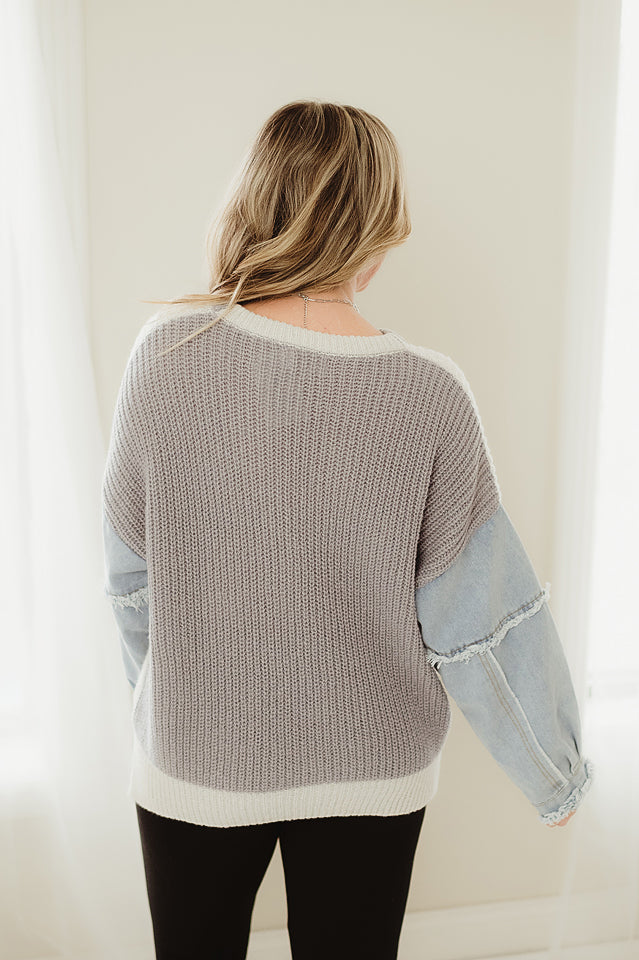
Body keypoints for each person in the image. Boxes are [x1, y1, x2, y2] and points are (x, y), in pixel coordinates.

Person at [102, 99, 594, 960]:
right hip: (373, 766)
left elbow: (131, 579)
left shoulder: (166, 353)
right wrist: (553, 771)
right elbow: (478, 618)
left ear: (254, 202)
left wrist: (175, 692)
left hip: (194, 759)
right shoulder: (429, 393)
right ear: (376, 226)